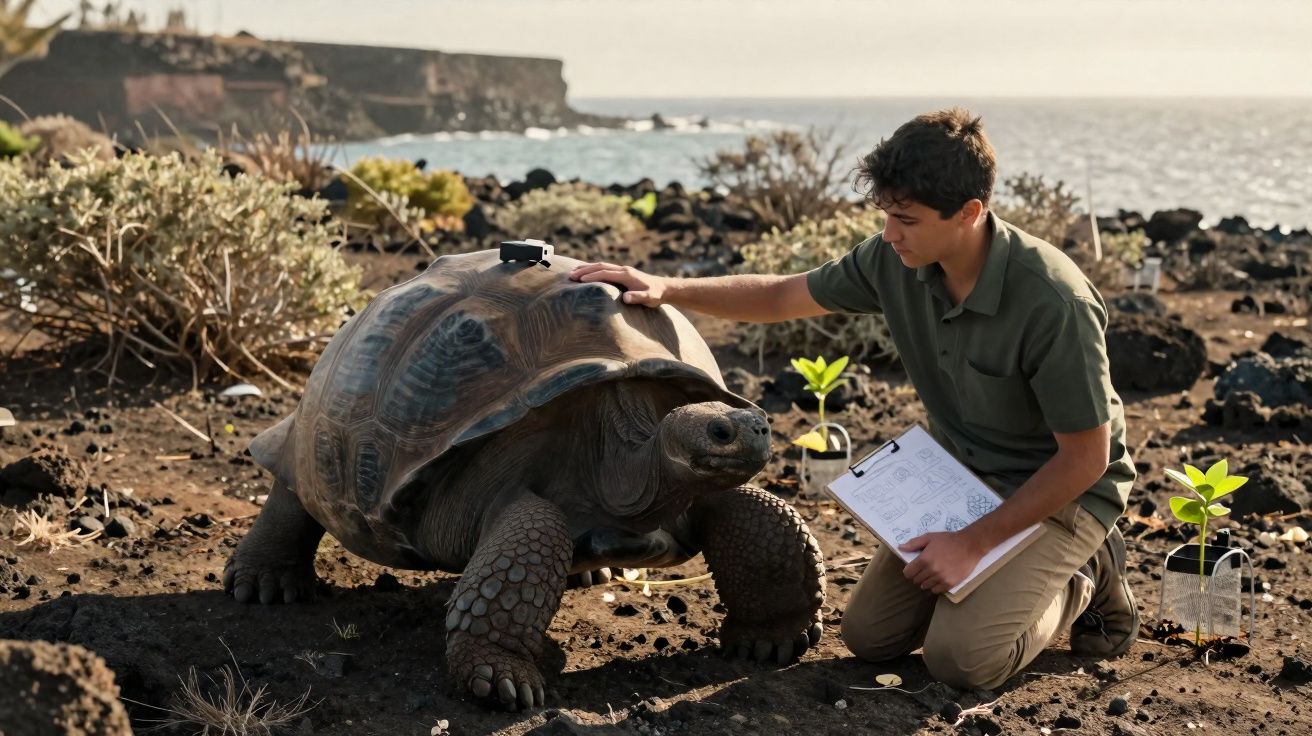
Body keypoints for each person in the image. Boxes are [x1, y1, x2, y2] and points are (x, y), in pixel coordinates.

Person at [568, 108, 1139, 689]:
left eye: (906, 220)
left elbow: (1085, 459)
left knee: (962, 661)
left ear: (970, 213)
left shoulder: (1054, 302)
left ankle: (1085, 576)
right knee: (870, 638)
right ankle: (1011, 579)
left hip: (1061, 489)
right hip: (961, 477)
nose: (889, 234)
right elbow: (782, 296)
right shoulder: (895, 259)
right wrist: (667, 288)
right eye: (886, 215)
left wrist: (972, 544)